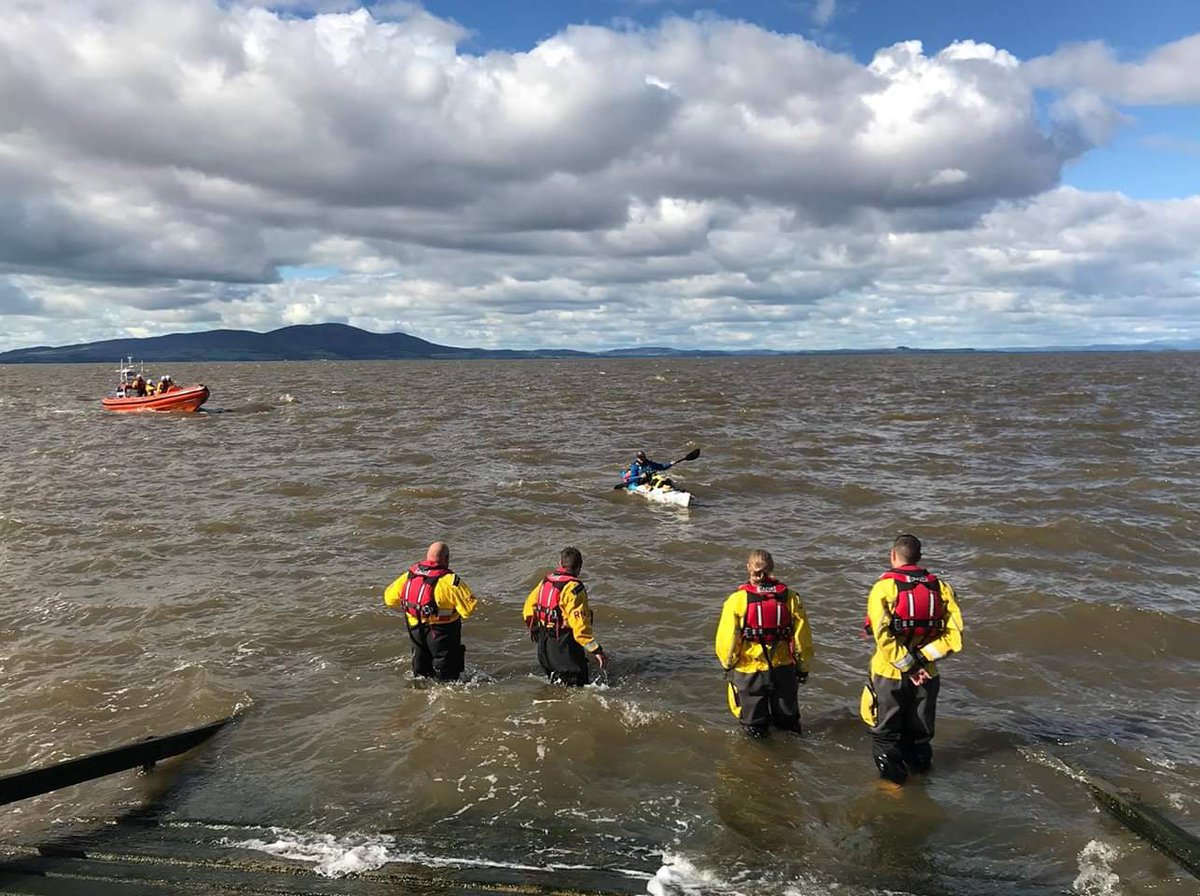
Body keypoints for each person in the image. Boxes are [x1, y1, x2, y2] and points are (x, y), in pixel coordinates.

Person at [859, 533, 964, 785]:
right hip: (927, 675)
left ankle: (893, 789)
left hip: (889, 674)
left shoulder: (883, 588)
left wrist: (908, 664)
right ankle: (921, 783)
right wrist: (920, 659)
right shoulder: (942, 588)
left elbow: (882, 636)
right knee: (919, 737)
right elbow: (955, 637)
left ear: (892, 556)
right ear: (919, 557)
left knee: (885, 736)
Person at [714, 549, 813, 737]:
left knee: (753, 727)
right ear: (772, 568)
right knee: (788, 725)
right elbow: (802, 639)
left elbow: (728, 640)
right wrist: (803, 668)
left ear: (748, 568)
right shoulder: (791, 597)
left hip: (750, 672)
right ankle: (792, 753)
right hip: (783, 670)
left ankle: (758, 753)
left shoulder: (737, 600)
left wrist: (728, 664)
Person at [383, 542, 478, 681]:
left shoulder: (408, 576)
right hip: (442, 633)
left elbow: (389, 599)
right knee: (447, 677)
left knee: (421, 673)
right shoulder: (451, 581)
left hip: (416, 631)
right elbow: (468, 610)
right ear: (446, 559)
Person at [522, 546, 607, 686]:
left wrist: (534, 629)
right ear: (579, 567)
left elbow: (528, 609)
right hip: (564, 645)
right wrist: (597, 651)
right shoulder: (574, 588)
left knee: (555, 684)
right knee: (577, 688)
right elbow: (580, 627)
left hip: (544, 647)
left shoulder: (545, 582)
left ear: (560, 563)